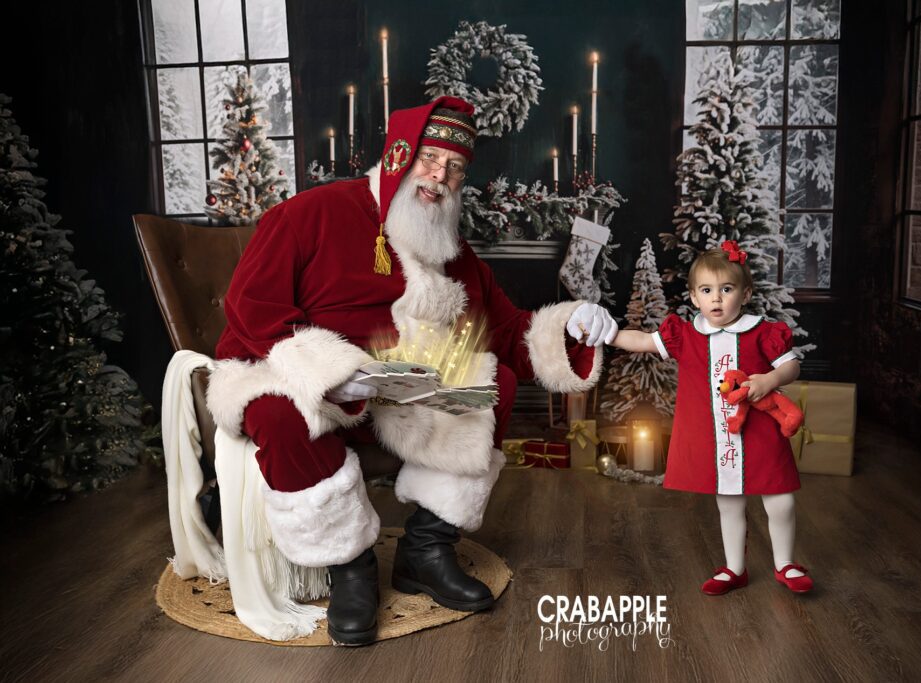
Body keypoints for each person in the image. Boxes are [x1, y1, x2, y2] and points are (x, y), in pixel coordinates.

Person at [205, 96, 618, 645]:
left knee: (491, 384)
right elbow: (251, 304)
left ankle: (425, 549)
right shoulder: (309, 213)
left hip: (391, 385)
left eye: (454, 168)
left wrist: (575, 325)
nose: (439, 177)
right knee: (282, 416)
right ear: (401, 154)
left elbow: (507, 329)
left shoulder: (446, 246)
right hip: (283, 363)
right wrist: (326, 372)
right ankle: (349, 566)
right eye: (430, 159)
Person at [608, 241, 813, 596]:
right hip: (717, 438)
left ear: (745, 294)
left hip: (760, 434)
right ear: (693, 297)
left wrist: (770, 379)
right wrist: (606, 334)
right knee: (728, 503)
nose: (716, 299)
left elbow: (791, 365)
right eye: (707, 290)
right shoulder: (687, 336)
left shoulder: (762, 332)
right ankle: (735, 568)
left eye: (726, 289)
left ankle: (785, 564)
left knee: (780, 500)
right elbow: (641, 340)